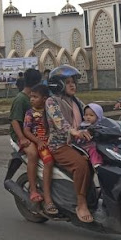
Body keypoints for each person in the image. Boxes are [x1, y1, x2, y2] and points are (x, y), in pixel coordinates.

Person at [45, 65, 94, 223]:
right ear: (58, 84)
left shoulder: (75, 101)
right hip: (59, 145)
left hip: (78, 144)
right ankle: (81, 203)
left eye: (73, 81)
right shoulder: (52, 101)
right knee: (80, 165)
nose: (72, 85)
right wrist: (73, 131)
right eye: (67, 82)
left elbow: (90, 114)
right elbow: (59, 122)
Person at [22, 83, 57, 215]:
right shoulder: (30, 113)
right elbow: (26, 130)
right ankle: (42, 196)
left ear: (44, 99)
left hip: (50, 142)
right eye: (31, 97)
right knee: (48, 161)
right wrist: (38, 141)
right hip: (38, 143)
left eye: (35, 97)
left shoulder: (50, 112)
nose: (31, 99)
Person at [8, 68, 42, 203]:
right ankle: (33, 190)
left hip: (35, 133)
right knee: (33, 154)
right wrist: (22, 138)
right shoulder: (20, 99)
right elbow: (15, 121)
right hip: (21, 135)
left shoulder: (37, 97)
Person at [78, 103, 104, 168]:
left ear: (98, 116)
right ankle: (96, 164)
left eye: (91, 115)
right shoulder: (83, 126)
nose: (88, 117)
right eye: (86, 115)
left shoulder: (100, 125)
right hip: (86, 144)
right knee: (93, 150)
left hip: (98, 143)